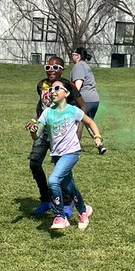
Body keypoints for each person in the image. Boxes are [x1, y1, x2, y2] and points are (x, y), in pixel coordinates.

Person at [30, 56, 105, 216]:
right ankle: (45, 199)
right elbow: (41, 105)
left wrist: (78, 128)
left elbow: (83, 106)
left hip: (63, 132)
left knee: (62, 170)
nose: (51, 70)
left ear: (62, 70)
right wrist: (35, 121)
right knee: (34, 162)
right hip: (45, 129)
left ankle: (67, 202)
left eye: (55, 68)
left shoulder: (68, 85)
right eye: (48, 67)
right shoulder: (41, 85)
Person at [69, 47, 101, 119]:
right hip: (93, 100)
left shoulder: (79, 66)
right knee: (89, 123)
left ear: (78, 56)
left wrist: (70, 98)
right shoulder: (85, 65)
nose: (72, 56)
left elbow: (77, 86)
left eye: (73, 54)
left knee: (78, 122)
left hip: (84, 100)